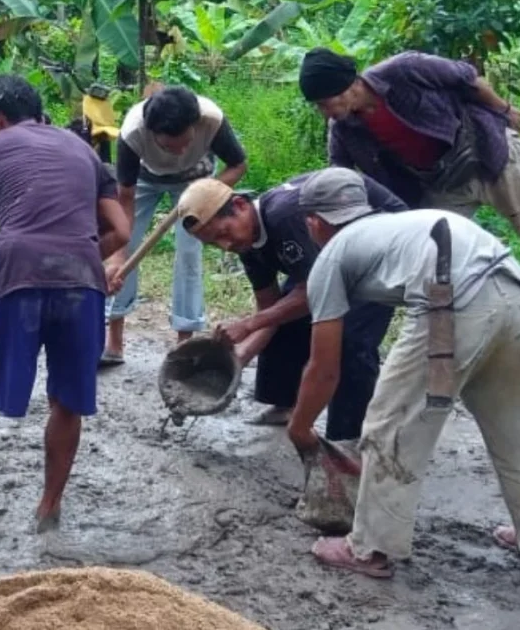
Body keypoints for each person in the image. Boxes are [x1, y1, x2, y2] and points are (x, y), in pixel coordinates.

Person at [285, 167, 520, 578]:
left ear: (314, 222)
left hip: (452, 298)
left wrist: (301, 426)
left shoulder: (333, 254)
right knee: (518, 428)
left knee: (390, 423)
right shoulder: (393, 226)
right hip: (516, 291)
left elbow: (324, 367)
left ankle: (369, 548)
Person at [0, 74, 130, 546]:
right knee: (68, 400)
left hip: (15, 272)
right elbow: (119, 229)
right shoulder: (84, 150)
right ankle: (49, 509)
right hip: (81, 280)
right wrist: (82, 257)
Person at [172, 171, 405, 439]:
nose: (225, 245)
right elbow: (269, 306)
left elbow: (318, 292)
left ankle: (351, 436)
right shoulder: (247, 243)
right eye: (212, 243)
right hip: (331, 262)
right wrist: (238, 357)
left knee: (348, 340)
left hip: (379, 252)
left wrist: (249, 324)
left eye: (223, 232)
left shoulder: (285, 216)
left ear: (239, 205)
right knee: (280, 315)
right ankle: (286, 404)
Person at [299, 47, 520, 245]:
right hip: (444, 183)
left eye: (324, 103)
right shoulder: (343, 130)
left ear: (345, 86)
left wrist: (504, 109)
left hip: (488, 151)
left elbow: (468, 78)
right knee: (432, 255)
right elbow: (339, 173)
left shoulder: (404, 69)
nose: (324, 112)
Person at [100, 83, 248, 366]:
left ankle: (185, 346)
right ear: (152, 134)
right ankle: (114, 341)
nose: (179, 151)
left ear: (196, 125)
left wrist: (205, 194)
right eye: (169, 146)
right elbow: (126, 198)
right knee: (125, 252)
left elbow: (238, 165)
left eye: (186, 142)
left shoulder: (212, 119)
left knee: (189, 254)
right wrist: (118, 255)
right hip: (145, 180)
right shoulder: (132, 133)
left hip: (198, 180)